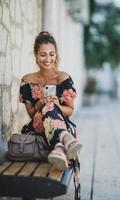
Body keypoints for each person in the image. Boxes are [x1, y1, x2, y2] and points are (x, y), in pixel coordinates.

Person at [19, 31, 82, 170]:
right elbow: (31, 113)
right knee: (48, 105)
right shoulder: (26, 81)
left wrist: (56, 105)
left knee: (51, 105)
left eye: (51, 54)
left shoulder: (63, 79)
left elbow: (70, 111)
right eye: (43, 54)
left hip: (62, 123)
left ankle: (60, 146)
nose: (48, 59)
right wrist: (38, 106)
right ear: (36, 55)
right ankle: (64, 142)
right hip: (37, 126)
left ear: (56, 55)